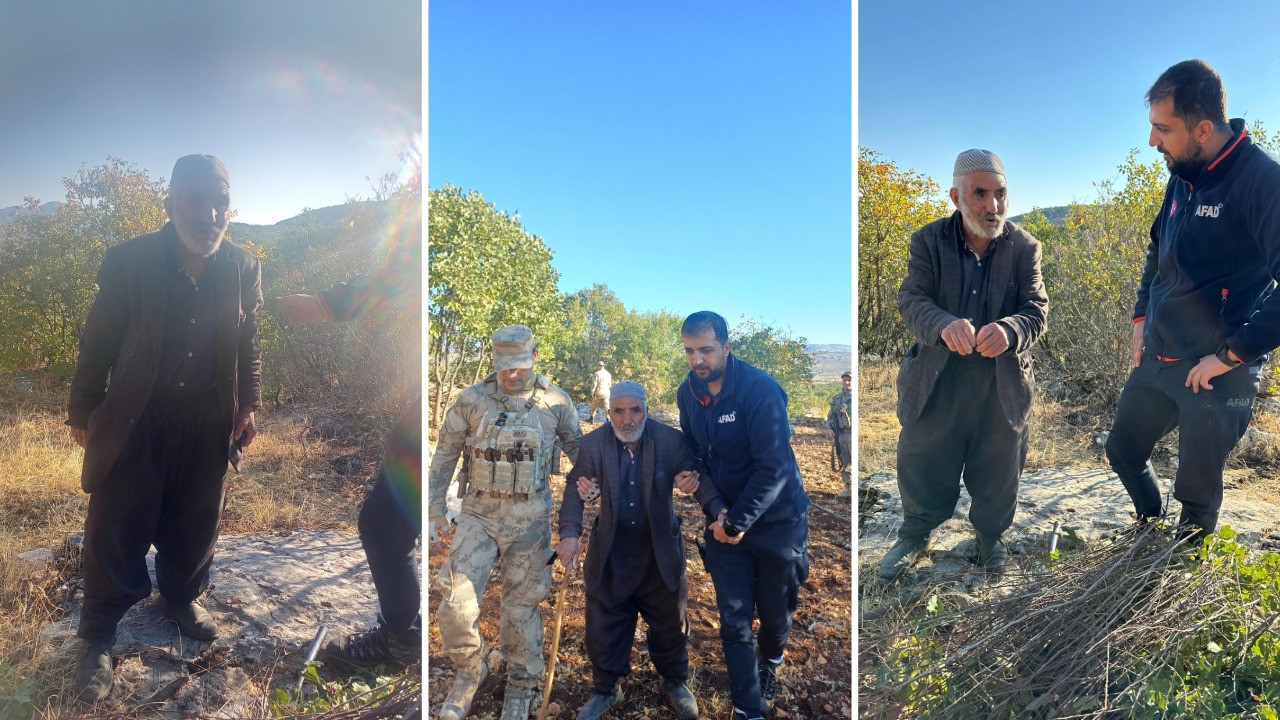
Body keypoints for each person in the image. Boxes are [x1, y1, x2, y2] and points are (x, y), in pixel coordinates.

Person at [66, 154, 262, 702]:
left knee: (199, 515)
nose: (209, 213)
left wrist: (249, 403)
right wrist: (83, 411)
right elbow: (98, 341)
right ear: (170, 204)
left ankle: (178, 596)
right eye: (196, 200)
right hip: (138, 410)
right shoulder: (130, 261)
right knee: (117, 517)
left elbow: (248, 342)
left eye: (219, 201)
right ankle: (98, 632)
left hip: (208, 413)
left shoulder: (243, 266)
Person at [1105, 59, 1280, 536]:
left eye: (1163, 128)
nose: (1152, 141)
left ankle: (1179, 579)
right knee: (1121, 449)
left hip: (1217, 373)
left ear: (1203, 128)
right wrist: (1142, 315)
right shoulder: (1183, 170)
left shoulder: (1263, 181)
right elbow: (1157, 249)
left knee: (1197, 497)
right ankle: (1148, 530)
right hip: (1160, 355)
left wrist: (1231, 356)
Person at [879, 149, 1048, 581]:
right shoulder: (928, 241)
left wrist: (1010, 330)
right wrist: (942, 324)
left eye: (1000, 194)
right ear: (956, 196)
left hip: (1001, 382)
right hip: (937, 377)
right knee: (921, 457)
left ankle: (990, 536)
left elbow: (1037, 310)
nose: (992, 206)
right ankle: (916, 532)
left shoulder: (1025, 247)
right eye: (980, 194)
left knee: (999, 462)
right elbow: (911, 300)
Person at [273, 206, 422, 670]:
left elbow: (404, 270)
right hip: (424, 409)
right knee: (393, 525)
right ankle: (403, 635)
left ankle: (400, 643)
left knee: (384, 524)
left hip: (429, 418)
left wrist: (323, 305)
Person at [428, 326, 583, 720]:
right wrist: (432, 508)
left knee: (521, 607)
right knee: (455, 604)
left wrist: (585, 506)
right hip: (479, 515)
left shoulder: (556, 402)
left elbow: (583, 457)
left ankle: (521, 684)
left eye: (518, 366)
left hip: (531, 520)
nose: (510, 374)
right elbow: (445, 454)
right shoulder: (472, 399)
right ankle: (469, 672)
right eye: (503, 367)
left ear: (533, 357)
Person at [555, 381, 719, 720]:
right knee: (604, 622)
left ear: (646, 409)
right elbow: (575, 490)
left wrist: (717, 510)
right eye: (619, 411)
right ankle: (606, 689)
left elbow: (696, 477)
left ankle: (675, 681)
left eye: (635, 410)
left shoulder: (670, 440)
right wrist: (569, 534)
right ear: (609, 411)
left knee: (670, 621)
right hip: (612, 549)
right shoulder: (593, 444)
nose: (627, 419)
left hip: (658, 548)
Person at [676, 311, 810, 720]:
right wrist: (717, 512)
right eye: (690, 351)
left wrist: (737, 522)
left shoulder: (760, 391)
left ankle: (770, 661)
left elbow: (774, 467)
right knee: (734, 619)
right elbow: (696, 458)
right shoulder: (687, 394)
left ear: (727, 348)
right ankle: (747, 708)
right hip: (723, 527)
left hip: (778, 523)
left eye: (706, 350)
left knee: (774, 615)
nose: (698, 360)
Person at [826, 371, 853, 498]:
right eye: (845, 380)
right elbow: (830, 416)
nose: (847, 383)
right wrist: (829, 428)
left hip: (853, 435)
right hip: (841, 436)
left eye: (849, 380)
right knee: (845, 462)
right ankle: (849, 490)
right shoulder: (837, 399)